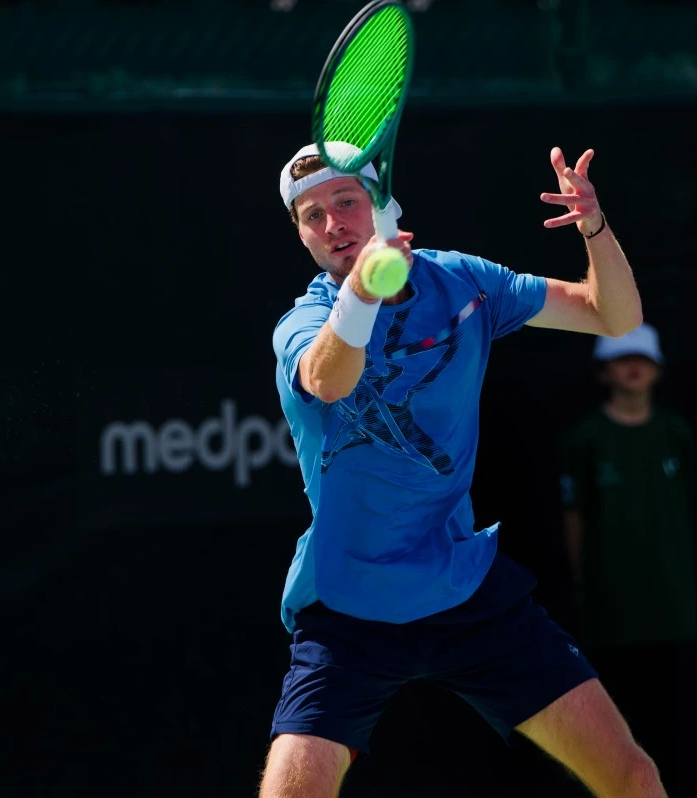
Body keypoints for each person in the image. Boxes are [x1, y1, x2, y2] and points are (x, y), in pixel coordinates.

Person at [260, 140, 662, 798]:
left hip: (464, 591)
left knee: (631, 776)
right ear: (302, 236)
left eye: (346, 201)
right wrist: (362, 290)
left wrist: (594, 225)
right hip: (348, 606)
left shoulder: (463, 283)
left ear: (383, 206)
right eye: (312, 215)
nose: (332, 223)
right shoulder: (303, 323)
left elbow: (613, 316)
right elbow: (330, 379)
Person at [560, 322, 696, 796]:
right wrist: (582, 583)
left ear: (658, 369)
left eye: (642, 358)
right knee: (618, 720)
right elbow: (574, 517)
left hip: (675, 607)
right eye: (621, 358)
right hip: (612, 607)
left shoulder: (676, 434)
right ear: (604, 370)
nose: (633, 367)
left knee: (674, 721)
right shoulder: (587, 438)